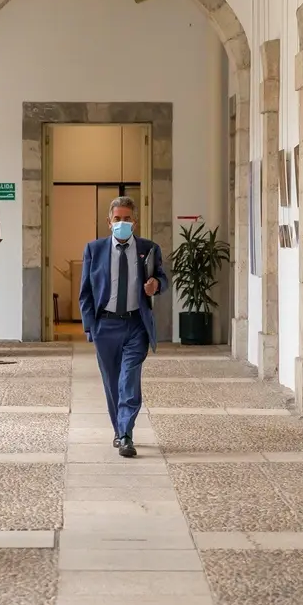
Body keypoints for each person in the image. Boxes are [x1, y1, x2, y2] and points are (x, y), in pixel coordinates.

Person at [78, 196, 169, 458]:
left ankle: (126, 433)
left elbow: (162, 278)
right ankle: (119, 430)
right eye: (117, 219)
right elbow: (85, 292)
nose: (122, 223)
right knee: (112, 381)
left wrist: (156, 285)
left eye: (127, 219)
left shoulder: (148, 248)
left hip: (135, 325)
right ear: (109, 222)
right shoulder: (94, 250)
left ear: (134, 221)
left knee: (129, 379)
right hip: (105, 325)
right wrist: (91, 328)